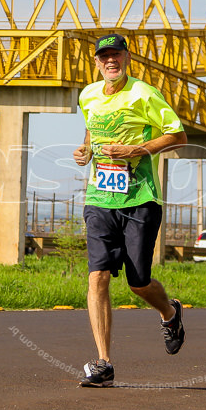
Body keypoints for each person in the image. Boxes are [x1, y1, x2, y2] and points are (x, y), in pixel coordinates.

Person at [72, 33, 188, 387]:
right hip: (100, 199)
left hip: (140, 199)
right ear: (96, 62)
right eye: (104, 56)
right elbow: (93, 132)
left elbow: (177, 135)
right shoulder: (88, 95)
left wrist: (138, 149)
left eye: (116, 55)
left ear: (126, 58)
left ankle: (170, 312)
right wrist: (85, 150)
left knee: (138, 282)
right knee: (98, 276)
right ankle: (103, 363)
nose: (111, 61)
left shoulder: (144, 94)